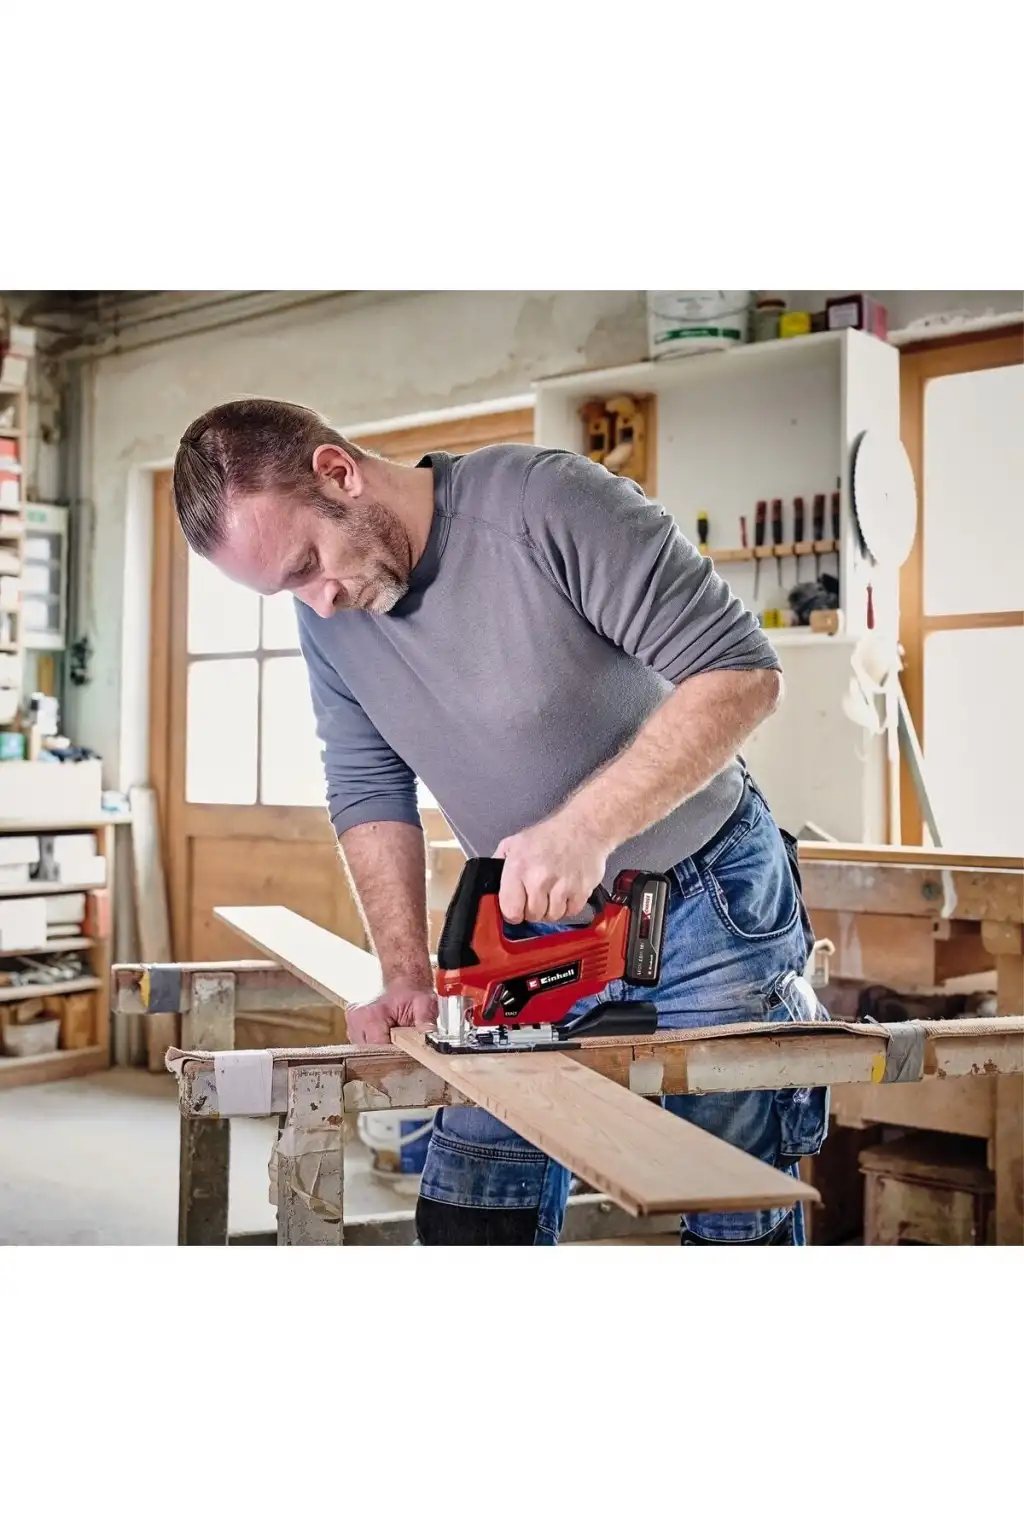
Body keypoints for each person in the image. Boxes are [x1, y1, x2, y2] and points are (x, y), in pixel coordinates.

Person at [172, 396, 828, 1246]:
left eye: (307, 564)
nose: (319, 601)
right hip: (525, 926)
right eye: (288, 588)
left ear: (338, 473)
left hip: (707, 903)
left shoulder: (545, 504)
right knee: (472, 1210)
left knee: (733, 1214)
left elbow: (742, 674)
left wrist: (584, 829)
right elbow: (368, 786)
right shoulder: (328, 613)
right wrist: (404, 974)